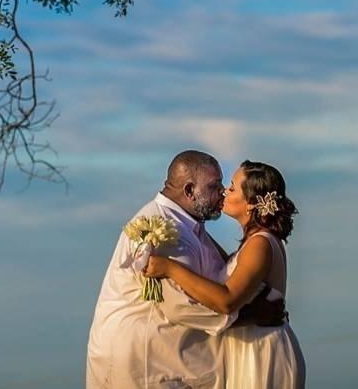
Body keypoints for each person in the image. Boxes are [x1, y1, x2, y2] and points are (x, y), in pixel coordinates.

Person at [86, 150, 285, 389]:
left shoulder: (189, 226)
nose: (222, 192)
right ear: (190, 191)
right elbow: (180, 306)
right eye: (215, 186)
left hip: (179, 360)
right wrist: (251, 317)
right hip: (146, 361)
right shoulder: (162, 229)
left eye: (226, 186)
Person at [144, 161, 306, 388]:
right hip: (249, 348)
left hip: (262, 352)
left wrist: (170, 268)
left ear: (251, 203)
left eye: (231, 187)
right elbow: (215, 255)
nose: (224, 192)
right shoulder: (253, 242)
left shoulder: (260, 244)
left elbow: (227, 300)